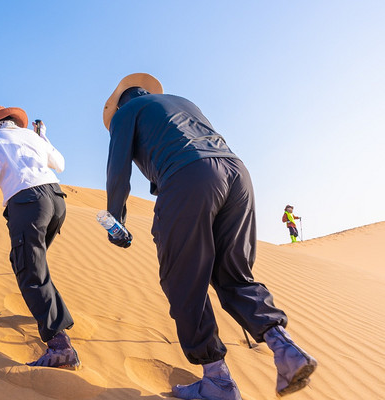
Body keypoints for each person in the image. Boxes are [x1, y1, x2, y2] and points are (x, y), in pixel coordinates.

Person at [103, 73, 317, 399]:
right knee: (234, 275)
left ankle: (217, 380)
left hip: (188, 177)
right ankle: (286, 350)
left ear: (120, 103)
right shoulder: (184, 103)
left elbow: (118, 171)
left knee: (185, 278)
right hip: (237, 176)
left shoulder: (124, 115)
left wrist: (115, 220)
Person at [0, 105, 79, 370]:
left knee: (29, 269)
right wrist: (44, 136)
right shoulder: (32, 136)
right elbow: (60, 165)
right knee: (30, 263)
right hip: (57, 201)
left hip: (28, 203)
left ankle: (60, 347)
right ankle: (55, 316)